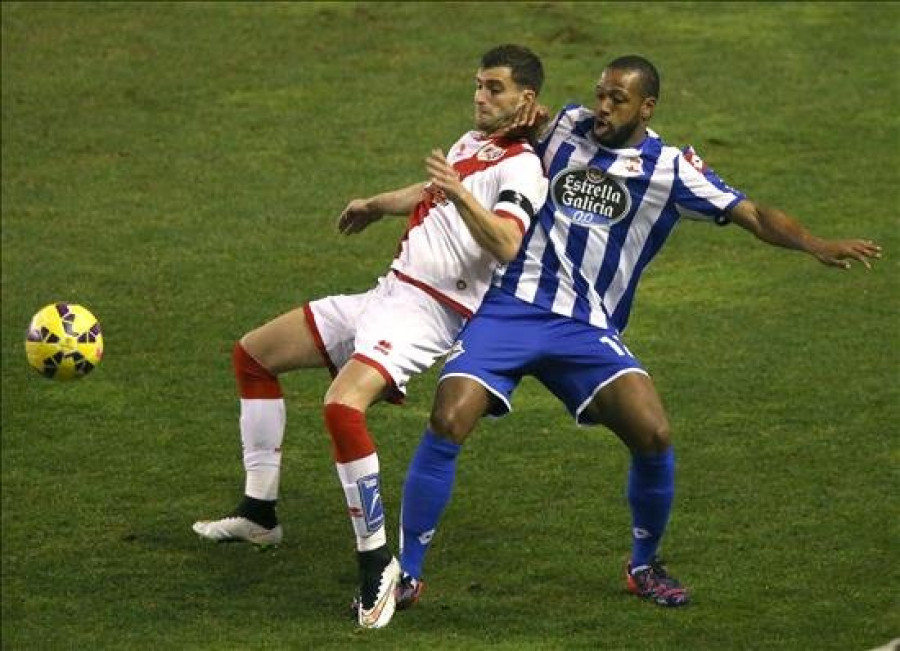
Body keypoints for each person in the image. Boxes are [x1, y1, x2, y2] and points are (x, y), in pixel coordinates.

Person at [395, 54, 882, 610]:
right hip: (511, 307)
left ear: (646, 107)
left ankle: (644, 565)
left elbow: (752, 213)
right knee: (448, 415)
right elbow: (506, 118)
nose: (602, 107)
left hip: (586, 327)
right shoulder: (564, 127)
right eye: (600, 93)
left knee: (652, 433)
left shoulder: (671, 168)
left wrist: (814, 243)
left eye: (617, 100)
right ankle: (406, 572)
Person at [192, 44, 549, 629]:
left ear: (525, 99)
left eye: (495, 88)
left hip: (429, 312)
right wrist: (376, 205)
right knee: (254, 355)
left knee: (341, 409)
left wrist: (458, 192)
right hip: (386, 295)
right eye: (478, 85)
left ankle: (377, 564)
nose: (481, 96)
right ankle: (259, 514)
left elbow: (507, 242)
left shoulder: (524, 170)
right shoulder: (472, 143)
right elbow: (427, 192)